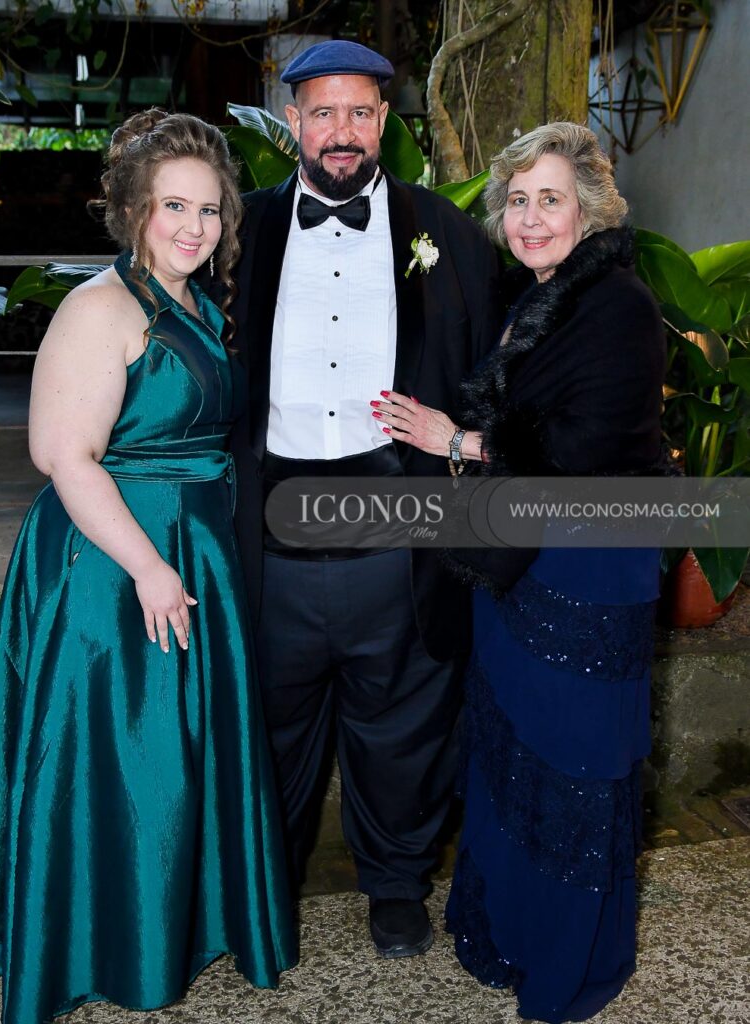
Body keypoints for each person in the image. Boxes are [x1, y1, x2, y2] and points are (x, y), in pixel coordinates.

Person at [0, 109, 296, 1024]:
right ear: (134, 209)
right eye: (173, 206)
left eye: (210, 209)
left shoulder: (195, 302)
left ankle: (171, 924)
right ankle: (101, 942)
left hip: (190, 553)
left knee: (175, 757)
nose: (194, 226)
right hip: (113, 565)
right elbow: (63, 455)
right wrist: (149, 568)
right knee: (122, 758)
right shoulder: (99, 307)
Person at [380, 122, 666, 1021]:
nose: (531, 217)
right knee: (511, 750)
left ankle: (566, 960)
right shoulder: (529, 296)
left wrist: (456, 440)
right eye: (517, 200)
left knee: (574, 760)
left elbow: (582, 448)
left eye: (550, 199)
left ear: (589, 210)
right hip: (516, 560)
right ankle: (507, 931)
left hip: (589, 565)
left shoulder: (617, 304)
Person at [226, 40, 498, 958]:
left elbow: (495, 367)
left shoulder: (447, 233)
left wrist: (469, 445)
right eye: (322, 113)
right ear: (292, 121)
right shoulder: (239, 230)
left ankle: (396, 885)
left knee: (403, 724)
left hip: (397, 523)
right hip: (271, 529)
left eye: (359, 112)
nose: (340, 132)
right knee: (271, 727)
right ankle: (267, 890)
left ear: (384, 120)